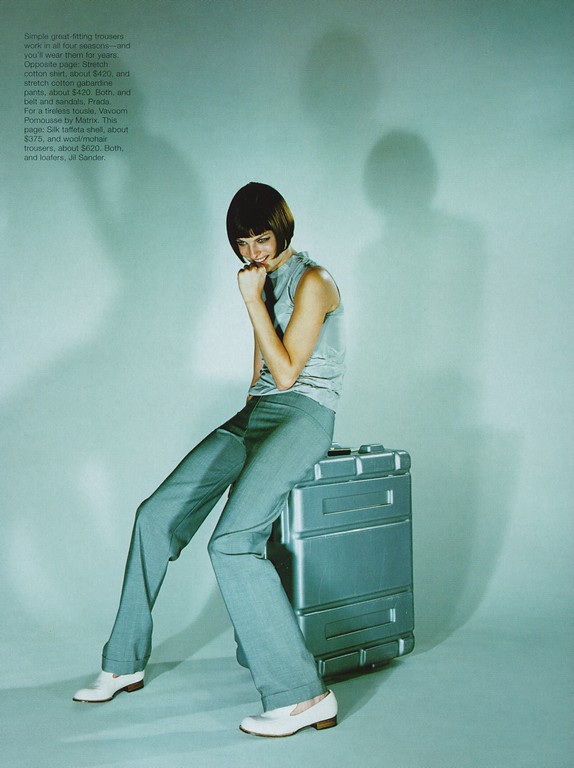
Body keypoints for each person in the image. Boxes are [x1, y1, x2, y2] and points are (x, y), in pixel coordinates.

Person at [73, 182, 346, 737]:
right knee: (154, 517)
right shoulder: (261, 279)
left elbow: (288, 373)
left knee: (232, 542)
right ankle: (123, 663)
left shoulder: (314, 280)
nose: (253, 253)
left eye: (262, 239)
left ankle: (305, 697)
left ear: (282, 230)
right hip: (259, 412)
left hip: (305, 415)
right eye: (243, 243)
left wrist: (250, 300)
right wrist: (247, 407)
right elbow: (262, 369)